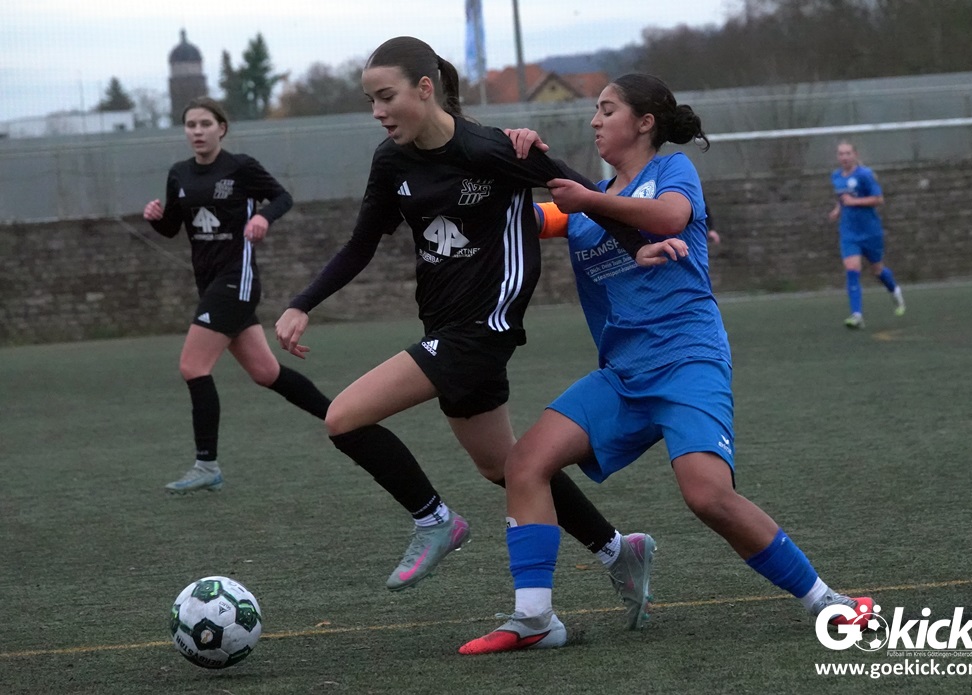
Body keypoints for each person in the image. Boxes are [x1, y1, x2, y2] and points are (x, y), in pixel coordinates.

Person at [460, 74, 874, 655]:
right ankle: (535, 619)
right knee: (524, 463)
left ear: (645, 122)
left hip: (687, 361)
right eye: (595, 111)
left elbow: (669, 218)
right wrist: (500, 157)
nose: (595, 120)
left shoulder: (672, 172)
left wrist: (587, 200)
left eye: (607, 110)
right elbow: (517, 223)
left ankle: (826, 601)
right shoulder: (583, 203)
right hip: (622, 375)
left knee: (707, 495)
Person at [274, 37, 659, 624]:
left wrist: (643, 244)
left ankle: (435, 521)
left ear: (424, 88)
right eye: (370, 100)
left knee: (343, 418)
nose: (377, 111)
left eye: (386, 97)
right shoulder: (391, 160)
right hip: (444, 325)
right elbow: (360, 244)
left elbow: (584, 194)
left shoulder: (492, 149)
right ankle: (618, 551)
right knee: (506, 467)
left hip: (484, 329)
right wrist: (303, 303)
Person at [143, 96, 332, 493]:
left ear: (222, 128)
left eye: (205, 124)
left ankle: (206, 465)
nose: (197, 131)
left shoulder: (241, 167)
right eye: (191, 125)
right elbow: (172, 228)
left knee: (193, 366)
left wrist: (263, 216)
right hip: (210, 284)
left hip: (237, 281)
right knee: (266, 373)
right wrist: (156, 218)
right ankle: (342, 416)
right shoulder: (179, 174)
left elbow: (282, 198)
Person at [828, 141, 905, 329]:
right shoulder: (836, 176)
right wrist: (838, 209)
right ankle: (857, 315)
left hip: (870, 232)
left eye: (848, 153)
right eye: (841, 154)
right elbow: (842, 198)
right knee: (852, 269)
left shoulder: (865, 175)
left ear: (855, 155)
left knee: (877, 270)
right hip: (849, 232)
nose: (844, 157)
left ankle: (894, 290)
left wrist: (854, 202)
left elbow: (879, 199)